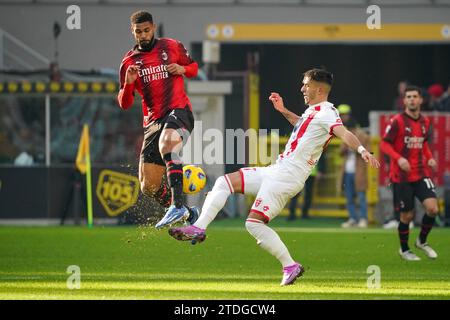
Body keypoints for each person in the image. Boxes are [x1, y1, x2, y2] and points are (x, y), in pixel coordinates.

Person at [166, 68, 380, 286]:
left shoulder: (328, 113)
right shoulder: (312, 112)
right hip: (277, 169)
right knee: (224, 182)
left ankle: (290, 265)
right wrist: (283, 110)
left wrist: (363, 151)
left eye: (305, 84)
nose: (302, 88)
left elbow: (344, 133)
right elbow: (302, 126)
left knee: (253, 224)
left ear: (318, 88)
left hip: (287, 177)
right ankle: (198, 228)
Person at [117, 10, 199, 227]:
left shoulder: (171, 46)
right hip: (153, 122)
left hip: (179, 110)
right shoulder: (129, 62)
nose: (143, 35)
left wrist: (182, 68)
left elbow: (194, 68)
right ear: (132, 32)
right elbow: (124, 104)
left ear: (153, 28)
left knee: (168, 142)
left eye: (146, 30)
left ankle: (178, 205)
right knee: (148, 186)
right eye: (138, 32)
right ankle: (187, 213)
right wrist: (127, 83)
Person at [380, 85, 439, 261]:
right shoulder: (397, 121)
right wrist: (399, 159)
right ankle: (405, 249)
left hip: (421, 173)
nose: (411, 99)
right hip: (401, 176)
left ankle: (421, 241)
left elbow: (423, 144)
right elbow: (384, 144)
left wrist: (429, 158)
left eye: (414, 96)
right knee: (407, 215)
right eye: (408, 97)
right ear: (404, 100)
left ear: (421, 100)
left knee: (433, 208)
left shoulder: (425, 122)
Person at [337, 104, 369, 228]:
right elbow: (340, 153)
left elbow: (369, 152)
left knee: (361, 196)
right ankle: (352, 218)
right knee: (349, 197)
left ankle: (363, 218)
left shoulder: (363, 136)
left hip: (359, 171)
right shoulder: (345, 136)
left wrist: (356, 148)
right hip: (347, 171)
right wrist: (346, 146)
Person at [287, 156, 324, 220]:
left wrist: (320, 170)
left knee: (301, 194)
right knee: (298, 194)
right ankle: (296, 214)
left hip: (306, 173)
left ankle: (298, 214)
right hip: (306, 173)